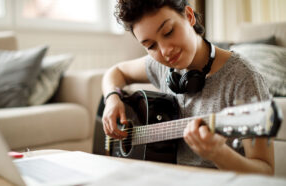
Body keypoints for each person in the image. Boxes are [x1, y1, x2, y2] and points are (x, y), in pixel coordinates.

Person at [102, 0, 274, 175]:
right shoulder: (161, 66)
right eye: (151, 46)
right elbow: (115, 72)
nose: (165, 51)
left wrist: (219, 154)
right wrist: (112, 98)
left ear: (189, 16)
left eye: (168, 32)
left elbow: (266, 171)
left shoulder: (243, 78)